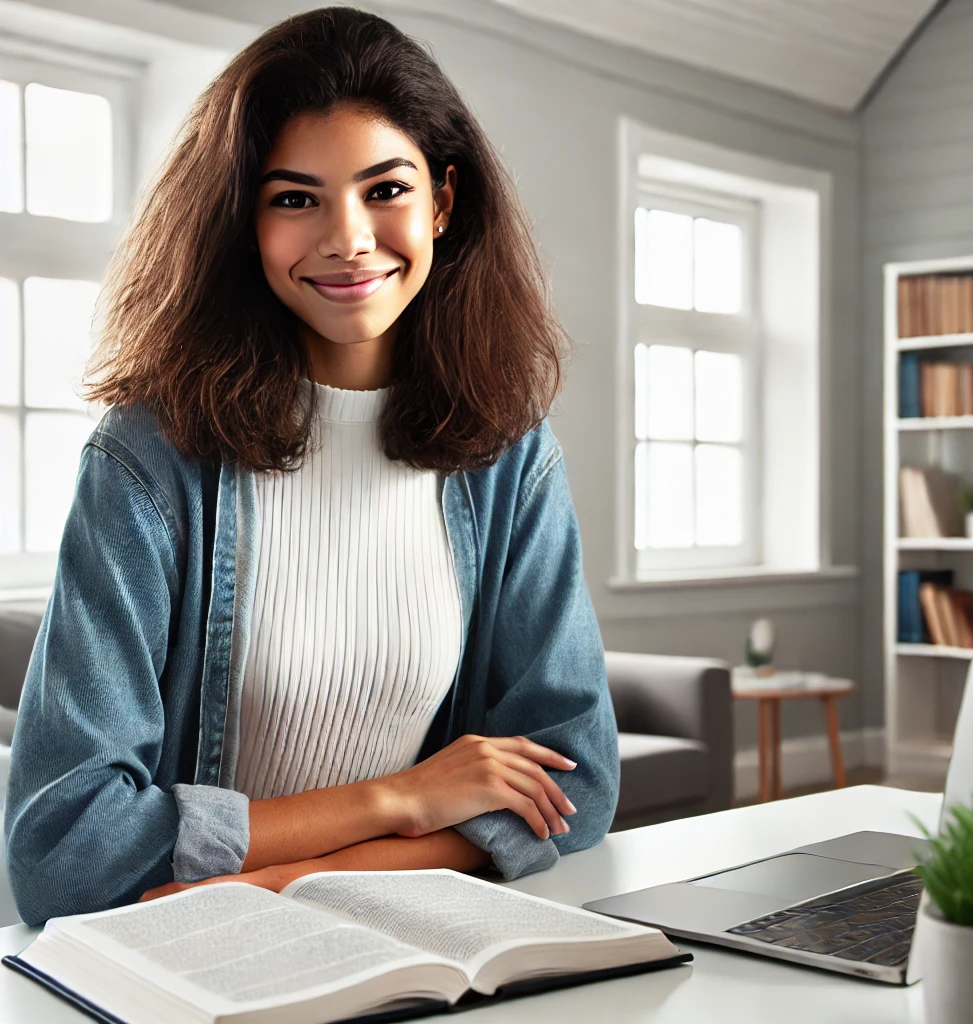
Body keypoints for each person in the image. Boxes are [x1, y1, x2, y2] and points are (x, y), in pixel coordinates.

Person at [3, 5, 619, 926]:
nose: (347, 239)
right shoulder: (147, 460)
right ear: (244, 224)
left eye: (385, 190)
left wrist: (277, 883)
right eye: (295, 198)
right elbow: (65, 850)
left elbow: (578, 777)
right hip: (196, 966)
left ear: (444, 202)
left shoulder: (508, 459)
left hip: (400, 943)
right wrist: (401, 799)